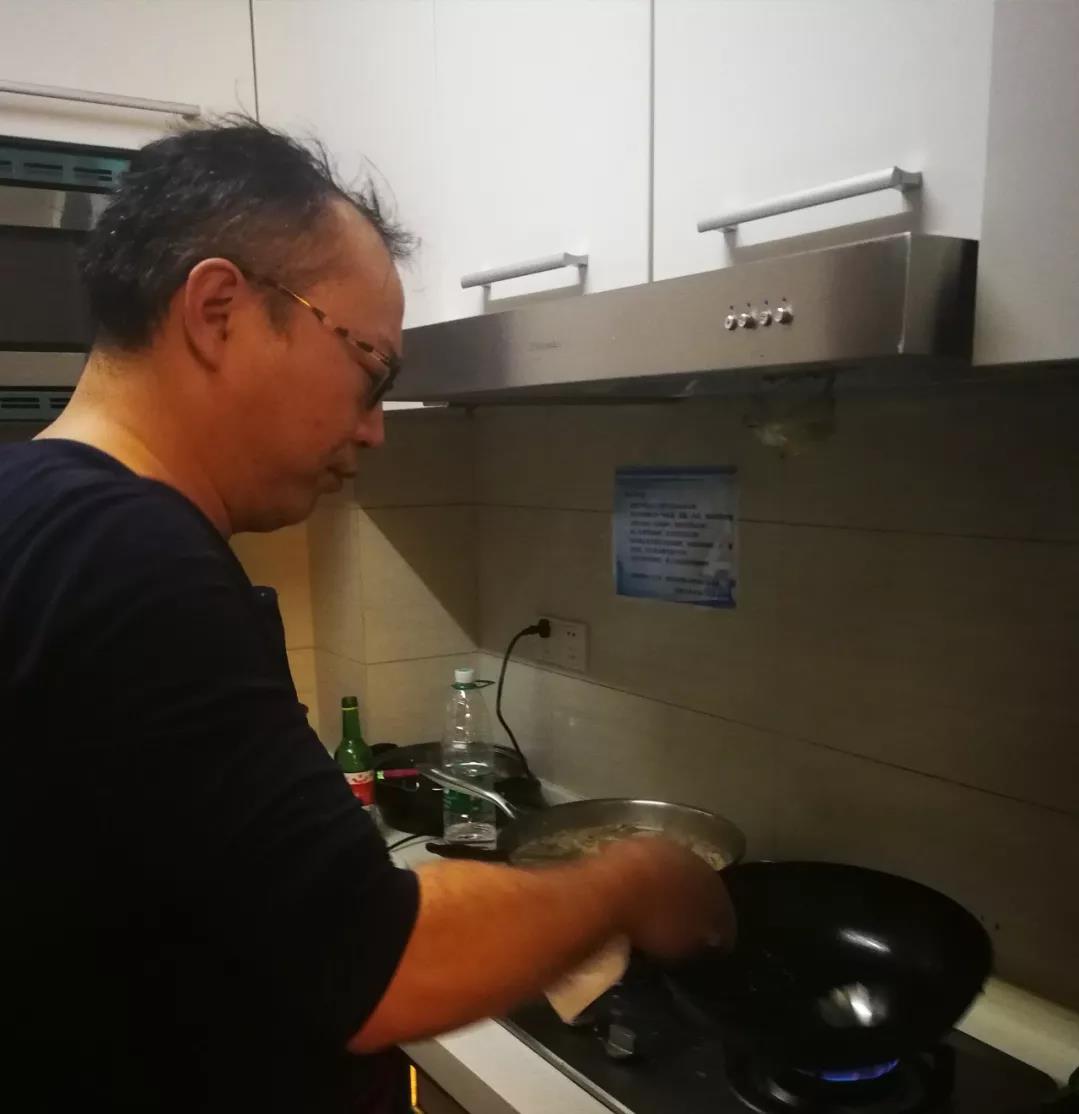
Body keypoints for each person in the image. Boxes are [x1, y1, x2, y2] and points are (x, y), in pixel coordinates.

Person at [0, 121, 733, 1113]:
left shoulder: (32, 508)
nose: (376, 427)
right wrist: (629, 883)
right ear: (219, 311)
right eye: (371, 369)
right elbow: (374, 962)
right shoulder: (128, 557)